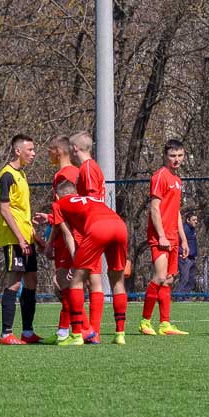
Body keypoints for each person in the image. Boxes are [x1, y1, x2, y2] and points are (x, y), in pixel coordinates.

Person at [51, 181, 129, 346]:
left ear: (57, 195)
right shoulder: (89, 200)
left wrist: (75, 260)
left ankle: (78, 334)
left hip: (98, 228)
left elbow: (67, 235)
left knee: (76, 279)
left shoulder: (58, 204)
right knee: (117, 279)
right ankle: (120, 334)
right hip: (120, 226)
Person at [36, 135, 92, 344]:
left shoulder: (63, 175)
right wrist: (50, 218)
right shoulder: (75, 172)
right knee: (68, 285)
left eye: (50, 150)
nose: (47, 154)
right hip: (73, 234)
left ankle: (82, 328)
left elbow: (65, 214)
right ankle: (66, 330)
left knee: (65, 285)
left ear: (58, 151)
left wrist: (51, 240)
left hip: (66, 238)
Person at [0, 133, 44, 345]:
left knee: (31, 282)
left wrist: (36, 238)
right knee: (14, 283)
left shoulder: (22, 175)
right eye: (30, 149)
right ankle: (6, 333)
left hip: (27, 238)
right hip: (15, 239)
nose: (33, 153)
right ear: (18, 151)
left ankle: (27, 331)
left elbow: (21, 212)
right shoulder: (6, 175)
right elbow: (5, 210)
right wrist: (20, 238)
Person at [140, 139, 189, 336]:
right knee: (159, 277)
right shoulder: (160, 176)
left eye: (180, 156)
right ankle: (145, 322)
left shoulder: (178, 180)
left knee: (168, 280)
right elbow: (154, 207)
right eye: (172, 156)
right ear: (165, 156)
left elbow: (176, 211)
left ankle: (165, 324)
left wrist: (183, 238)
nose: (176, 160)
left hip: (173, 237)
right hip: (160, 237)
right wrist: (161, 235)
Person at [69, 130, 107, 340]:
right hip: (95, 227)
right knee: (93, 279)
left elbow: (91, 200)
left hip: (89, 229)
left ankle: (89, 329)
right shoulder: (91, 167)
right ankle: (93, 331)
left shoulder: (88, 168)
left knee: (75, 280)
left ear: (75, 148)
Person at [175, 212, 199, 298]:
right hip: (184, 258)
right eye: (193, 220)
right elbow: (176, 242)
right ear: (188, 220)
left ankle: (185, 297)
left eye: (196, 220)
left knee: (191, 280)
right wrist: (179, 253)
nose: (196, 221)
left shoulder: (192, 229)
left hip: (192, 258)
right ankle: (178, 297)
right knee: (184, 279)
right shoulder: (184, 229)